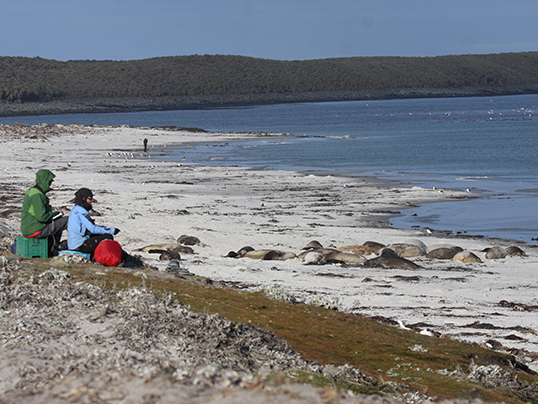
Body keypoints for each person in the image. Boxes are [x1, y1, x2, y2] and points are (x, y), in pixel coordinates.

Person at [20, 169, 68, 253]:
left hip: (29, 228)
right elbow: (42, 217)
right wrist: (54, 214)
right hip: (35, 229)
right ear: (44, 181)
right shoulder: (37, 195)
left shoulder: (32, 191)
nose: (50, 184)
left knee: (58, 222)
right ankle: (68, 246)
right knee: (67, 220)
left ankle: (53, 247)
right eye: (49, 182)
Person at [67, 188, 120, 255]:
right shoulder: (81, 211)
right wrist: (112, 230)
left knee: (100, 235)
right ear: (83, 199)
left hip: (74, 243)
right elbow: (92, 229)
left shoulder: (75, 208)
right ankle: (101, 257)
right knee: (108, 237)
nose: (92, 200)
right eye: (90, 198)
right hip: (80, 245)